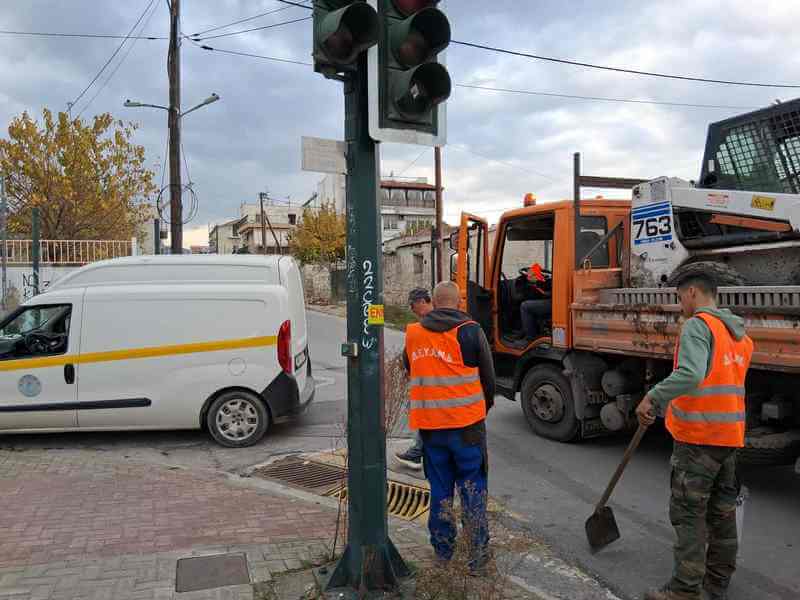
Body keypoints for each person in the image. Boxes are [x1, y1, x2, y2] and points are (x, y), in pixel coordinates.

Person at [636, 272, 753, 600]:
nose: (680, 305)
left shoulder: (697, 326)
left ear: (691, 292)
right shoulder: (739, 334)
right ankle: (716, 582)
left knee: (689, 514)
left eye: (679, 297)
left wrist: (652, 397)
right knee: (722, 512)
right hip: (729, 438)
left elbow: (690, 374)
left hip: (699, 438)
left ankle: (684, 591)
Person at [404, 281, 496, 573]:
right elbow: (489, 379)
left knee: (440, 491)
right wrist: (482, 409)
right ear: (459, 302)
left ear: (433, 301)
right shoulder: (471, 331)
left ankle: (443, 552)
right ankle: (477, 557)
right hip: (468, 428)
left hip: (432, 431)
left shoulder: (414, 333)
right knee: (473, 489)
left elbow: (411, 368)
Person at [395, 287, 434, 469]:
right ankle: (418, 451)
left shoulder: (427, 324)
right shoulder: (439, 320)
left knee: (423, 416)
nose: (411, 309)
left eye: (412, 305)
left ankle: (417, 453)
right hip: (432, 381)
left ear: (422, 302)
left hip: (429, 382)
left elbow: (409, 356)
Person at [520, 262, 552, 339]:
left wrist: (536, 281)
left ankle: (530, 337)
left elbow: (548, 288)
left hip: (555, 302)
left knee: (525, 306)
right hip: (555, 299)